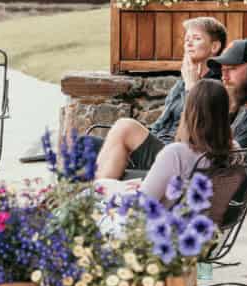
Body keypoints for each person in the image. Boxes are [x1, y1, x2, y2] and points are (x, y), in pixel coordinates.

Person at [95, 17, 227, 180]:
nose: (189, 44)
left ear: (215, 46)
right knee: (86, 144)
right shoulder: (184, 79)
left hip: (178, 154)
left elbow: (198, 127)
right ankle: (76, 202)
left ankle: (99, 195)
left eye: (197, 38)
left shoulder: (217, 85)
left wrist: (191, 88)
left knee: (125, 127)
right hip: (160, 142)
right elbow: (164, 120)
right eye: (187, 39)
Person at [134, 78, 232, 202]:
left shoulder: (177, 153)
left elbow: (141, 206)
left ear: (189, 113)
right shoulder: (236, 152)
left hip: (169, 220)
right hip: (210, 219)